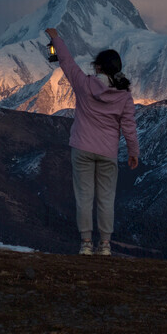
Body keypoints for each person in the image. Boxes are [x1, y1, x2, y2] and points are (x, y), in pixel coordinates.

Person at [45, 28, 139, 256]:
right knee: (106, 199)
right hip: (108, 152)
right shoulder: (124, 96)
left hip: (82, 148)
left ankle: (86, 244)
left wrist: (56, 38)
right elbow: (129, 126)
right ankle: (105, 245)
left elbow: (66, 62)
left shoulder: (84, 84)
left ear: (97, 67)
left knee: (84, 198)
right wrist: (133, 152)